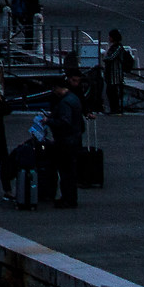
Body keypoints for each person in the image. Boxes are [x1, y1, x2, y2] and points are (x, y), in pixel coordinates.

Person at [47, 74, 85, 208]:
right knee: (71, 171)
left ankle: (67, 199)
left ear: (58, 88)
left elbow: (65, 122)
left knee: (65, 172)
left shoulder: (64, 102)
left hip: (65, 141)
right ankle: (70, 198)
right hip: (74, 139)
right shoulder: (74, 98)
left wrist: (49, 121)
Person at [101, 28, 134, 114]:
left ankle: (115, 109)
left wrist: (105, 58)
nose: (108, 38)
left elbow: (110, 58)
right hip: (111, 74)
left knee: (113, 92)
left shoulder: (118, 47)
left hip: (115, 74)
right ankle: (114, 109)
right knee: (111, 92)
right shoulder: (115, 47)